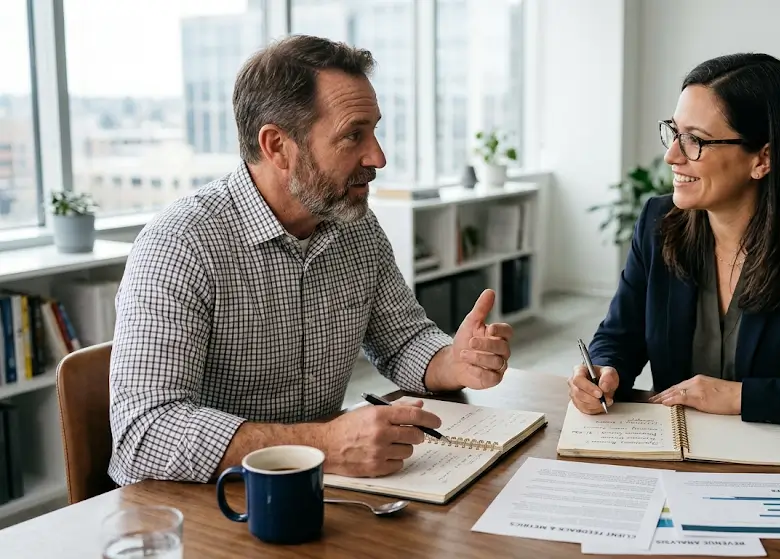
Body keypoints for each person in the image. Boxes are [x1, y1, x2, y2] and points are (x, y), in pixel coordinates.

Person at [108, 35, 513, 486]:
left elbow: (402, 341)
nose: (378, 157)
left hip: (315, 490)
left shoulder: (354, 224)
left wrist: (454, 360)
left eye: (374, 131)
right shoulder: (180, 245)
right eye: (353, 135)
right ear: (277, 146)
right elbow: (144, 433)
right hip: (205, 500)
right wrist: (323, 444)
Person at [567, 53, 780, 437]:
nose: (672, 155)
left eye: (694, 140)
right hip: (674, 453)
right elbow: (619, 336)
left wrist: (741, 397)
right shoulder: (658, 223)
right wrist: (604, 369)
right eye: (674, 132)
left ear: (763, 158)